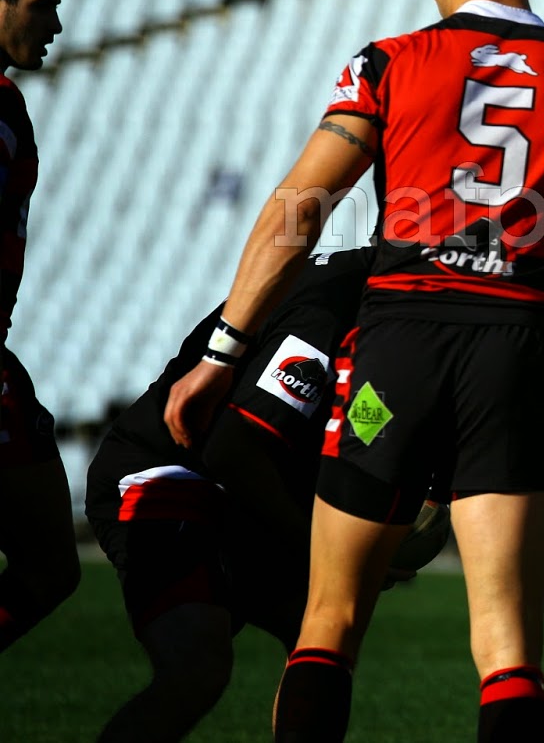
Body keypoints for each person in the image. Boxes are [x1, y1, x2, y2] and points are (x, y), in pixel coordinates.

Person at [163, 0, 544, 743]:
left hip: (397, 344)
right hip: (513, 347)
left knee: (329, 623)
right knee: (509, 652)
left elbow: (296, 213)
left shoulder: (389, 62)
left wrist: (223, 353)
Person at [87, 247, 372, 742]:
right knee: (196, 667)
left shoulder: (393, 305)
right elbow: (234, 448)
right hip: (173, 468)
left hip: (244, 484)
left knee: (326, 634)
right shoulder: (334, 306)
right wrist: (328, 547)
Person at [0, 0, 77, 654]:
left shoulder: (8, 106)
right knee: (50, 565)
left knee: (53, 567)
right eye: (40, 6)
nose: (54, 24)